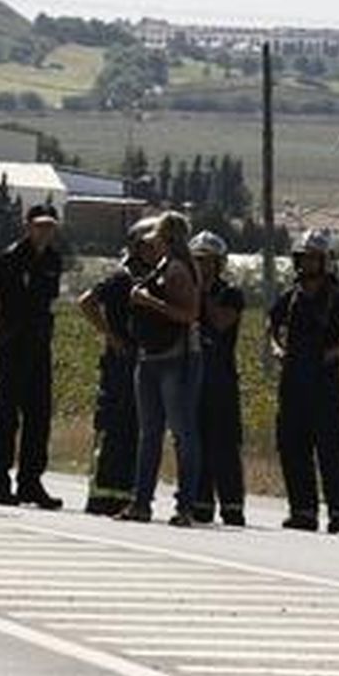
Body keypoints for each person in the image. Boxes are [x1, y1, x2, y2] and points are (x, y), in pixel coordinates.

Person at [268, 230, 339, 534]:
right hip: (292, 385)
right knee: (292, 447)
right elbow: (272, 326)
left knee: (331, 450)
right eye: (304, 258)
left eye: (315, 258)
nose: (309, 264)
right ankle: (303, 511)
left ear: (326, 261)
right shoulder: (290, 298)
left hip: (325, 387)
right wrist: (277, 348)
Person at [118, 212, 204, 527]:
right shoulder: (165, 265)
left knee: (182, 433)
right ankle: (140, 502)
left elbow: (190, 314)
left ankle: (185, 507)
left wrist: (147, 301)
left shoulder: (179, 269)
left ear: (167, 237)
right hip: (153, 357)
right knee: (150, 434)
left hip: (176, 359)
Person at [0, 203, 64, 509]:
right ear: (28, 226)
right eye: (39, 225)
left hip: (39, 345)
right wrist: (0, 334)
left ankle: (30, 482)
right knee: (5, 417)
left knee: (38, 417)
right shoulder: (9, 259)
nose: (45, 231)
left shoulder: (53, 260)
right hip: (12, 345)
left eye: (50, 226)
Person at [77, 218, 157, 515]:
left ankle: (126, 494)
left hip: (145, 365)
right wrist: (111, 336)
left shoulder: (156, 279)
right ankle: (101, 496)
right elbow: (86, 302)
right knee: (112, 428)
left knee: (137, 429)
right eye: (148, 246)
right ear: (136, 247)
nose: (154, 251)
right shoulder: (122, 279)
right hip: (119, 365)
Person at [189, 231, 246, 526]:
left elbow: (221, 322)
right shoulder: (184, 291)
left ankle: (232, 505)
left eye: (208, 261)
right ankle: (199, 502)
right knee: (194, 440)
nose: (202, 266)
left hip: (221, 377)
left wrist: (202, 293)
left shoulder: (231, 294)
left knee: (223, 443)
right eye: (197, 260)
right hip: (192, 374)